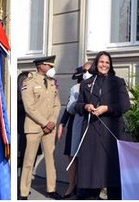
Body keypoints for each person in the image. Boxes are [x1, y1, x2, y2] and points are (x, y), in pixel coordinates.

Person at [74, 51, 131, 200]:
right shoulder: (87, 83)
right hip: (91, 132)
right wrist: (86, 106)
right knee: (91, 172)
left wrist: (107, 108)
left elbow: (125, 105)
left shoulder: (118, 82)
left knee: (113, 173)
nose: (104, 65)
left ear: (110, 65)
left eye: (107, 62)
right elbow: (77, 106)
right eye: (101, 62)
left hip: (112, 131)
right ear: (96, 64)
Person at [19, 55, 61, 200]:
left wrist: (53, 121)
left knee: (50, 159)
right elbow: (29, 108)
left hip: (50, 127)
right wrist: (45, 122)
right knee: (29, 160)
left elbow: (57, 104)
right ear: (40, 66)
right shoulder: (29, 82)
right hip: (34, 126)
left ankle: (51, 189)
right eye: (49, 65)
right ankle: (24, 192)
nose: (52, 68)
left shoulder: (52, 83)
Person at [57, 62, 92, 199]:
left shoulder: (100, 84)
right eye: (84, 71)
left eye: (89, 71)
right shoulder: (76, 88)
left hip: (92, 124)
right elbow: (69, 109)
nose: (86, 74)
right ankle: (72, 184)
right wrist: (62, 123)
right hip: (76, 122)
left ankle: (87, 187)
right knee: (72, 154)